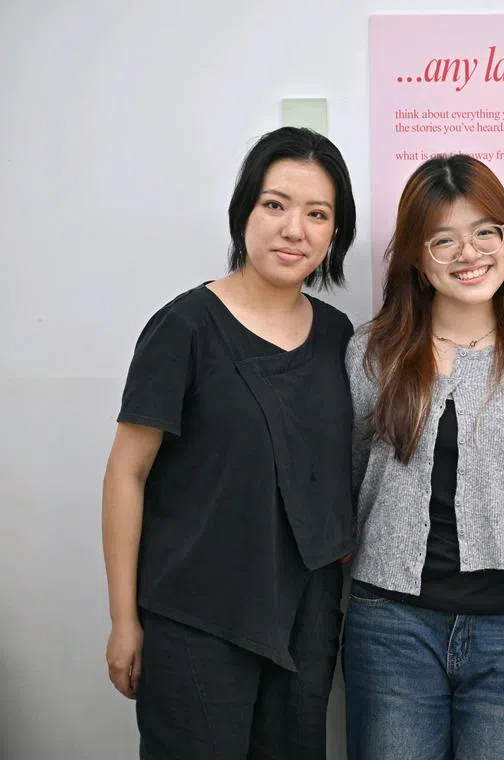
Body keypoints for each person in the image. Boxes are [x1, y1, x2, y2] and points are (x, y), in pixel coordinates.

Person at [101, 126, 358, 758]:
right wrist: (123, 620)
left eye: (316, 214)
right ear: (243, 211)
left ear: (333, 236)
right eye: (275, 204)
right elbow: (126, 474)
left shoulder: (338, 336)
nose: (293, 229)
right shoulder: (183, 327)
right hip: (197, 616)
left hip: (305, 617)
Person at [342, 154, 504, 760]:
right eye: (442, 240)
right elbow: (344, 486)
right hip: (390, 623)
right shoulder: (373, 352)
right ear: (418, 260)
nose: (468, 253)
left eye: (485, 232)